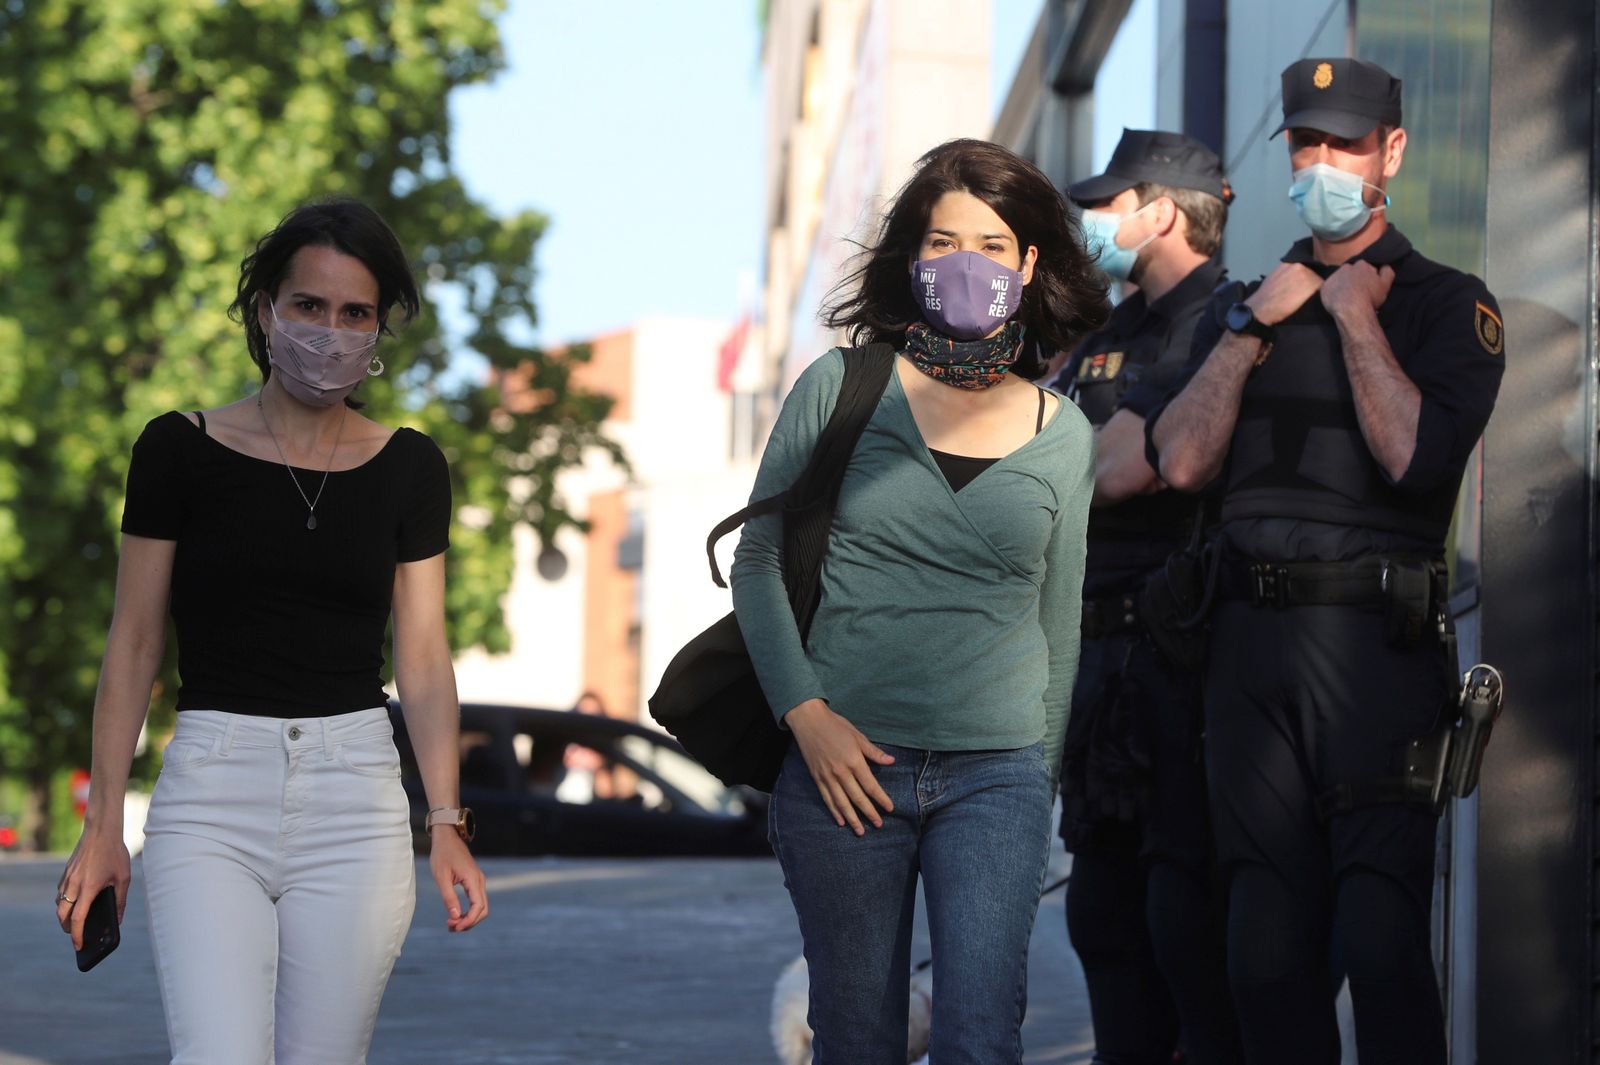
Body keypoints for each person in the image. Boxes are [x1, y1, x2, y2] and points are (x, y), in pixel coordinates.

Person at [54, 198, 489, 1064]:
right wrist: (105, 822)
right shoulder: (177, 450)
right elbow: (133, 642)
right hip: (212, 793)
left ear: (377, 328)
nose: (329, 333)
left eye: (353, 313)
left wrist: (446, 819)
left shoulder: (410, 466)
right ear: (266, 311)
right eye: (308, 306)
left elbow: (425, 656)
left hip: (356, 800)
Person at [1145, 58, 1506, 1064]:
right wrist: (1250, 330)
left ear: (1390, 151)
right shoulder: (1251, 306)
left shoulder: (1446, 304)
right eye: (1305, 143)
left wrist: (1351, 316)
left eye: (1344, 142)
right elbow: (1177, 460)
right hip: (1248, 658)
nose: (1320, 162)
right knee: (1261, 960)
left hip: (1374, 659)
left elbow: (1412, 455)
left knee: (1384, 948)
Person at [731, 138, 1107, 1065]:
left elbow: (1061, 627)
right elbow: (758, 562)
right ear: (912, 257)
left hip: (997, 778)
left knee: (982, 1039)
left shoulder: (1066, 434)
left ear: (1027, 264)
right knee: (858, 1040)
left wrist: (1035, 789)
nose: (966, 263)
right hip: (843, 768)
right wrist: (806, 718)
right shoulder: (841, 387)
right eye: (943, 242)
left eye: (990, 242)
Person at [1048, 129, 1243, 1065]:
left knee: (1183, 923)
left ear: (1160, 209)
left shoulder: (1224, 319)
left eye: (1110, 203)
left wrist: (1059, 468)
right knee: (1102, 913)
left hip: (1180, 659)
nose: (1095, 221)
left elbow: (1128, 470)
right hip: (1095, 659)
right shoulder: (1106, 333)